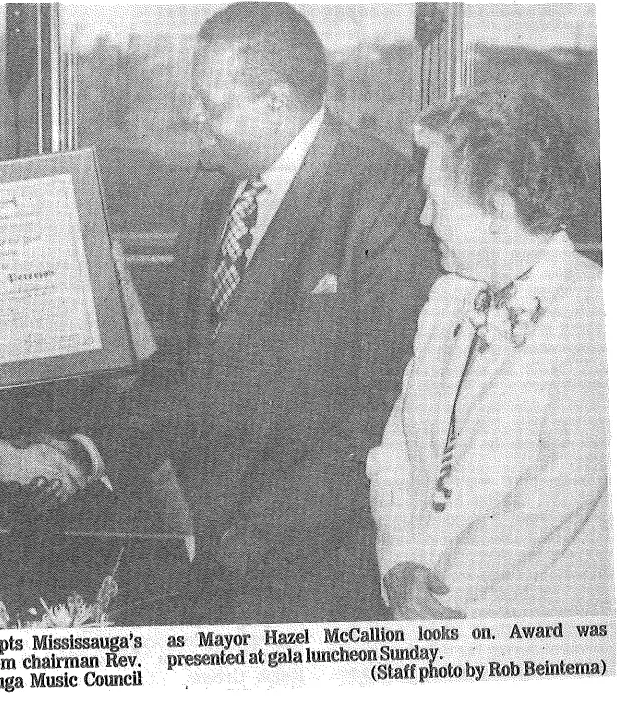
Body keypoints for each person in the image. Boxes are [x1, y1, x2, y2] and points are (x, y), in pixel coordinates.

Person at [46, 2, 438, 623]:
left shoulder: (382, 200)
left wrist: (252, 522)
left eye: (215, 106)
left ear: (277, 98)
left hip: (311, 559)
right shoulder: (222, 194)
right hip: (205, 544)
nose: (200, 121)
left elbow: (383, 403)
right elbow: (185, 359)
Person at [367, 85, 613, 619]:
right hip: (420, 607)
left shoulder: (594, 313)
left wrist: (444, 592)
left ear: (498, 208)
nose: (424, 217)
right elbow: (396, 454)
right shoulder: (446, 298)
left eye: (437, 198)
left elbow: (563, 493)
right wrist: (401, 565)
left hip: (528, 623)